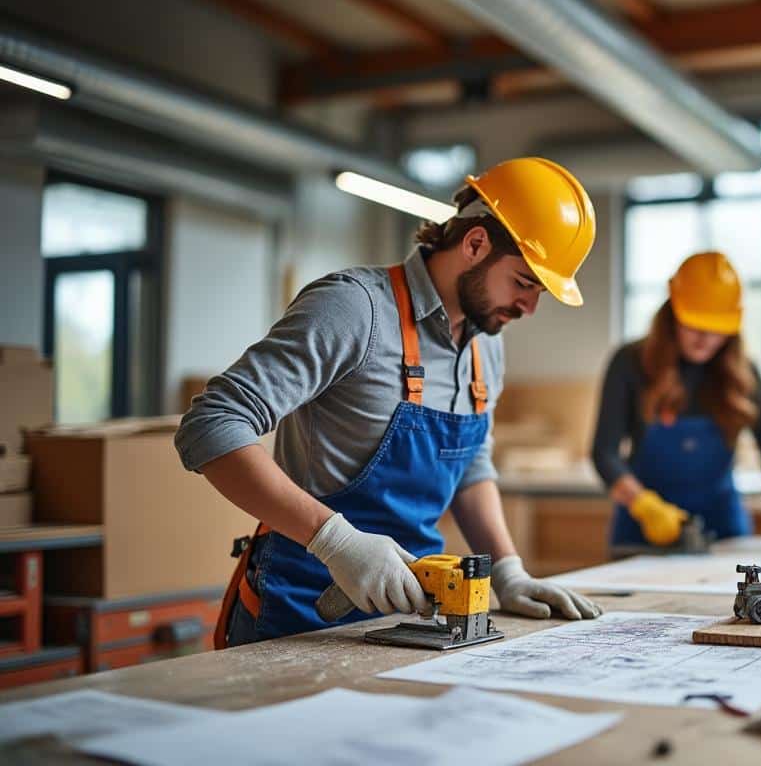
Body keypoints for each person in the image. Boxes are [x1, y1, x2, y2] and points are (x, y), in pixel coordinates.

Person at [178, 157, 604, 648]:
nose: (529, 308)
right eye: (525, 283)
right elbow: (211, 423)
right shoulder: (355, 308)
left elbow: (470, 464)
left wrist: (508, 569)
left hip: (416, 619)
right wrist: (335, 542)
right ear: (475, 243)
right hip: (300, 615)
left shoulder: (487, 342)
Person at [591, 251, 761, 551]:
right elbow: (604, 453)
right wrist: (644, 505)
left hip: (724, 529)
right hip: (642, 531)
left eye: (716, 327)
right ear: (673, 310)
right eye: (694, 323)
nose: (705, 336)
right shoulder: (630, 363)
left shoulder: (744, 374)